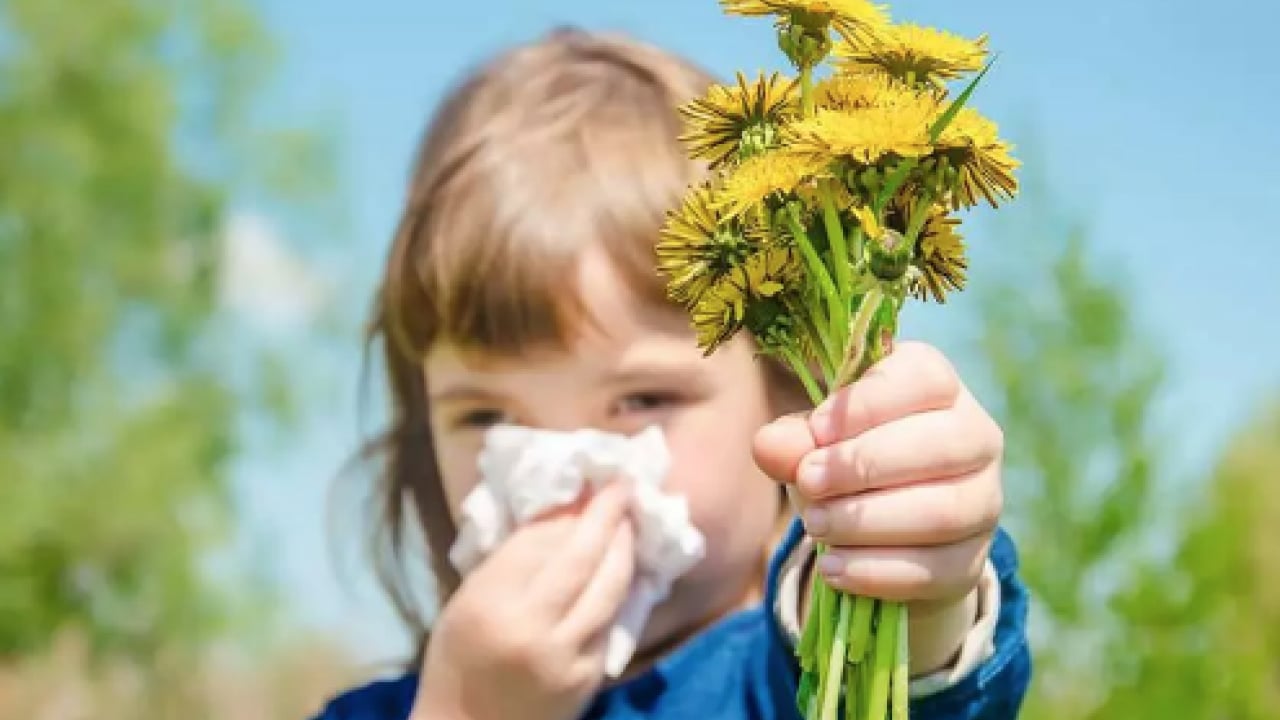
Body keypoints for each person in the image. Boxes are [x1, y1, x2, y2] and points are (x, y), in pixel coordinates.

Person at [313, 26, 1030, 720]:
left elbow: (890, 681)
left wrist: (912, 579)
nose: (564, 473)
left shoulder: (782, 677)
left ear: (790, 398)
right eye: (485, 418)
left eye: (642, 397)